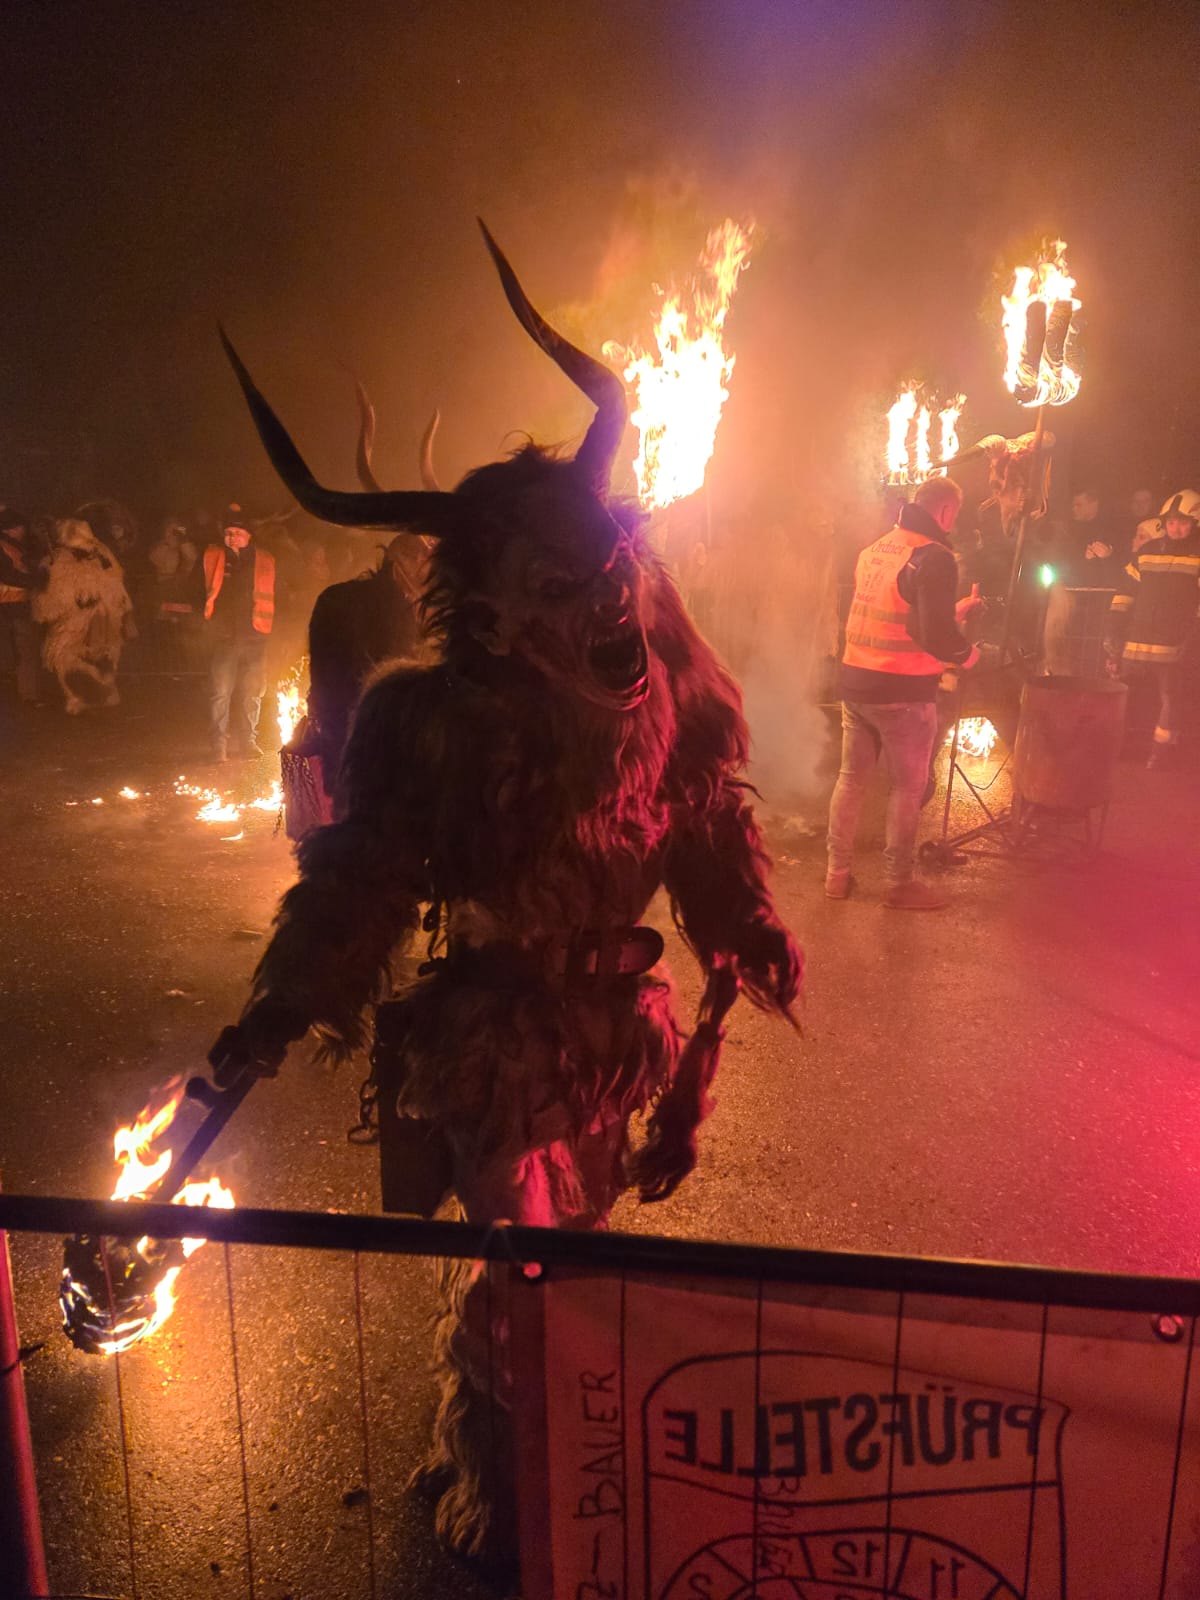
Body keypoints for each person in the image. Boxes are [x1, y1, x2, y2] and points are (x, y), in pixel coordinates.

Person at [826, 475, 981, 909]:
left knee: (851, 780)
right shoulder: (934, 556)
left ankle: (836, 876)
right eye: (955, 515)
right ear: (945, 511)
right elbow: (935, 636)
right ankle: (899, 884)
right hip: (903, 692)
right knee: (908, 789)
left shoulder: (876, 549)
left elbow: (903, 611)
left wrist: (954, 610)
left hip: (856, 682)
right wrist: (969, 655)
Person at [305, 536, 424, 797]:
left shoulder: (335, 598)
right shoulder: (395, 610)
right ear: (401, 565)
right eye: (421, 563)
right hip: (370, 726)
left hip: (340, 721)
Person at [1107, 489, 1200, 769]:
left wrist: (1192, 638)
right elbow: (1125, 592)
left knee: (1171, 697)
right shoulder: (1146, 552)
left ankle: (1160, 753)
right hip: (1137, 640)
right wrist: (1114, 629)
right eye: (1171, 522)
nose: (1176, 528)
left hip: (1175, 644)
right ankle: (1116, 745)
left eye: (1183, 522)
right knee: (1123, 694)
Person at [203, 505, 276, 761]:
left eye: (237, 532)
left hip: (256, 635)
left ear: (248, 536)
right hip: (225, 636)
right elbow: (198, 588)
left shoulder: (264, 560)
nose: (232, 537)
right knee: (220, 692)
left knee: (252, 692)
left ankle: (248, 741)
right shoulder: (214, 557)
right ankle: (219, 745)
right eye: (228, 533)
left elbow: (276, 593)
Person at [0, 510, 42, 704]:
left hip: (14, 605)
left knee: (18, 649)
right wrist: (36, 579)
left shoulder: (15, 546)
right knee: (27, 649)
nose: (23, 530)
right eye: (19, 527)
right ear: (11, 529)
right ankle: (29, 695)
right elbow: (8, 575)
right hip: (14, 605)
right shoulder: (6, 547)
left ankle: (21, 688)